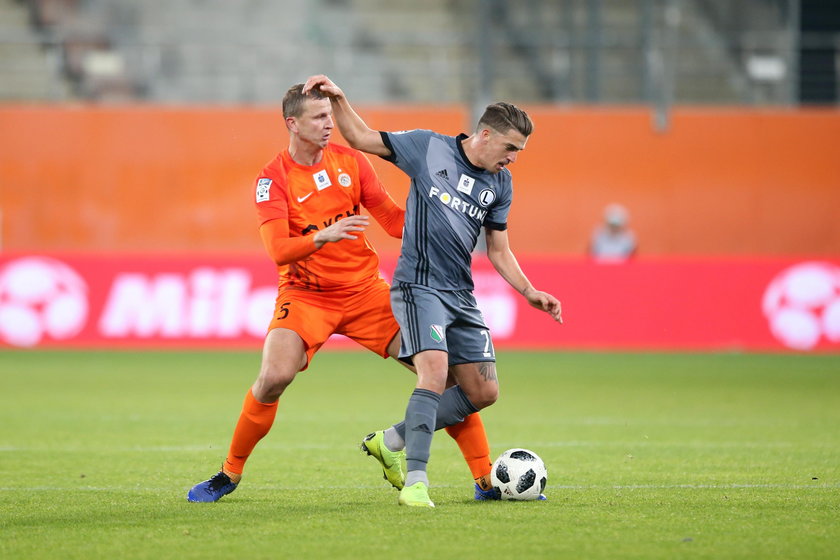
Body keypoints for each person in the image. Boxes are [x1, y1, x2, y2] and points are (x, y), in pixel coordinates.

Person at [187, 83, 495, 502]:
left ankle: (484, 479)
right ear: (292, 124)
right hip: (306, 295)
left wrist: (442, 212)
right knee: (274, 377)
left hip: (367, 293)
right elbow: (279, 250)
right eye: (318, 117)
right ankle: (229, 474)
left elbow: (391, 221)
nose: (328, 123)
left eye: (330, 115)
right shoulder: (272, 178)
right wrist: (324, 237)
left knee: (441, 375)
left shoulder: (351, 162)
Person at [303, 75, 563, 508]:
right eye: (511, 148)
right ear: (485, 135)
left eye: (519, 152)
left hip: (460, 293)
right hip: (417, 287)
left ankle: (392, 441)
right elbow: (363, 138)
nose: (514, 158)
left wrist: (528, 290)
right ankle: (416, 483)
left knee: (483, 393)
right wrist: (342, 99)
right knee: (434, 374)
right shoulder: (428, 148)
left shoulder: (500, 185)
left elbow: (498, 247)